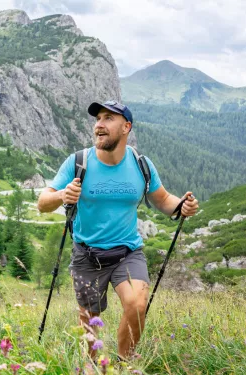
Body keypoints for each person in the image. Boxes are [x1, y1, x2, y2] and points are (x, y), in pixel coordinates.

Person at [37, 100, 199, 361]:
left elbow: (162, 200)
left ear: (126, 127)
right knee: (89, 321)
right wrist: (62, 196)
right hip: (87, 256)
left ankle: (123, 364)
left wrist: (182, 207)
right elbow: (43, 203)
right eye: (98, 119)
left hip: (128, 253)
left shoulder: (141, 164)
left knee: (137, 305)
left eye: (108, 119)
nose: (99, 125)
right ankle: (93, 367)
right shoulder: (79, 162)